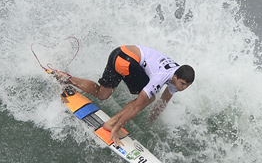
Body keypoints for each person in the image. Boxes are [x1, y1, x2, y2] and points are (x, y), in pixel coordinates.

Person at [54, 45, 194, 147]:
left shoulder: (177, 77)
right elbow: (137, 107)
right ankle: (111, 124)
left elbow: (163, 102)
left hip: (119, 53)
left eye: (187, 86)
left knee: (102, 94)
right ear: (175, 76)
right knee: (149, 98)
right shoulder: (161, 78)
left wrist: (151, 124)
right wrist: (116, 128)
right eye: (182, 84)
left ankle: (66, 78)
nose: (184, 88)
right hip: (127, 60)